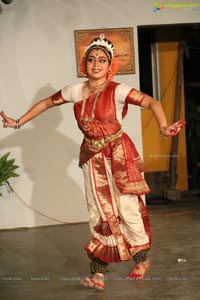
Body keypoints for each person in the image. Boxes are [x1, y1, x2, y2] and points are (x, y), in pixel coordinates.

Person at [0, 34, 185, 290]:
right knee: (98, 214)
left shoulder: (118, 90)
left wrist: (163, 127)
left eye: (101, 60)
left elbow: (152, 102)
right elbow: (46, 103)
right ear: (84, 65)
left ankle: (142, 261)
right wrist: (17, 122)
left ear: (110, 66)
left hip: (119, 156)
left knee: (127, 209)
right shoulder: (76, 90)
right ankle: (98, 274)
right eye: (91, 59)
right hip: (92, 157)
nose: (96, 64)